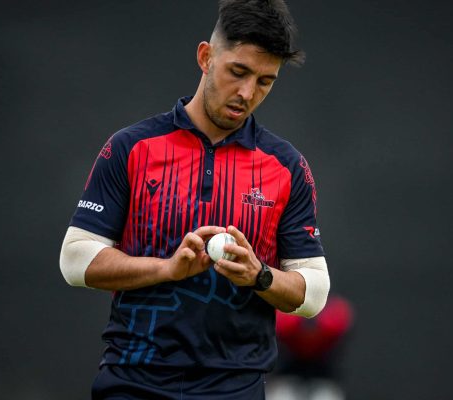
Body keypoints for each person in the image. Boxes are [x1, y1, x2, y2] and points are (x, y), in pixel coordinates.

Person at [59, 0, 330, 398]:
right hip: (133, 381)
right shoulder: (131, 147)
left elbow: (315, 292)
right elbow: (75, 259)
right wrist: (166, 269)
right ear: (206, 57)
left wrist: (260, 276)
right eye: (237, 71)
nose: (246, 92)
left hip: (235, 387)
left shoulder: (287, 167)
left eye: (265, 81)